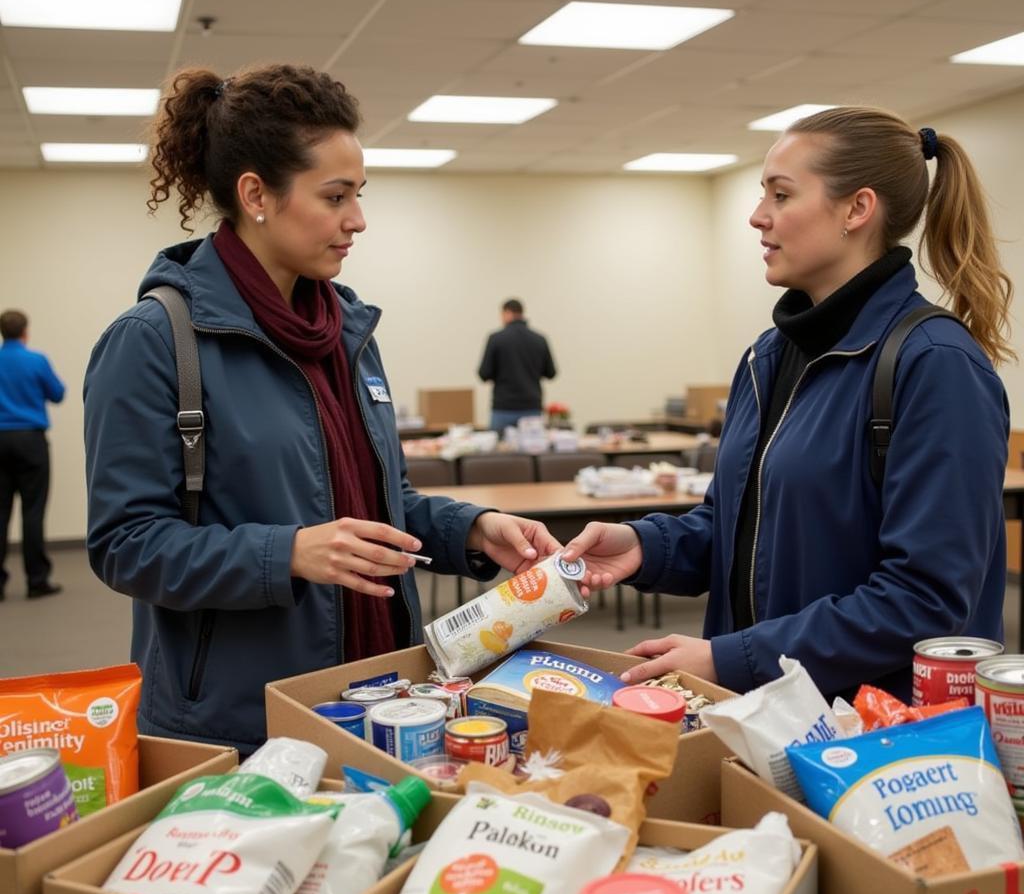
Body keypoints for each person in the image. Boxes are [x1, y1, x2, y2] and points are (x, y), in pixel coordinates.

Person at [84, 64, 559, 755]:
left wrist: (473, 529)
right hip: (239, 715)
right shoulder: (153, 341)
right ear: (256, 195)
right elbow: (125, 545)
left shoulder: (349, 333)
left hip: (378, 692)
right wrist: (289, 552)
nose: (357, 220)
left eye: (359, 195)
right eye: (335, 196)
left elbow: (376, 504)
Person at [563, 107, 1013, 702]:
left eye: (781, 194)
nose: (757, 216)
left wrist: (734, 658)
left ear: (857, 209)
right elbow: (740, 525)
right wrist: (647, 546)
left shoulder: (935, 364)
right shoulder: (768, 358)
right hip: (762, 713)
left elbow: (925, 599)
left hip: (873, 736)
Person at [0, 309, 65, 601]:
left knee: (1, 513)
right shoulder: (35, 360)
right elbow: (58, 393)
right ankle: (36, 580)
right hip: (30, 440)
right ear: (25, 332)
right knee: (33, 510)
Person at [477, 299, 557, 432]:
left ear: (507, 313)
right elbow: (551, 373)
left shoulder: (496, 339)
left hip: (503, 407)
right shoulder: (539, 339)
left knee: (500, 450)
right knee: (532, 449)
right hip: (532, 406)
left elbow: (484, 373)